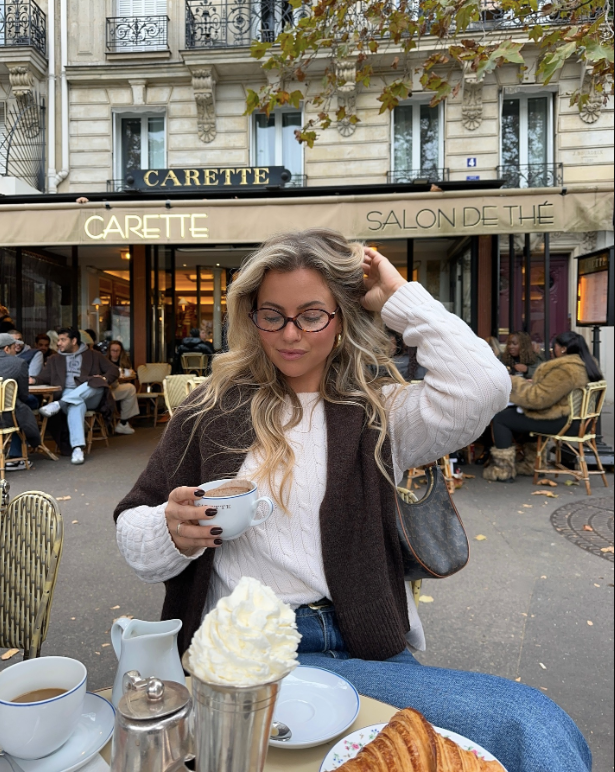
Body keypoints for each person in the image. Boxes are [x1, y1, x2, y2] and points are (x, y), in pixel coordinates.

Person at [113, 230, 590, 772]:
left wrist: (396, 294)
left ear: (341, 317)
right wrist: (172, 530)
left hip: (363, 642)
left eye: (312, 314)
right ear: (252, 317)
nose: (290, 334)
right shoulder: (211, 407)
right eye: (272, 315)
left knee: (531, 727)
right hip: (239, 657)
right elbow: (134, 529)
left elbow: (483, 387)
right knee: (526, 722)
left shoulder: (379, 411)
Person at [484, 331, 602, 482]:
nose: (553, 351)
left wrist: (513, 382)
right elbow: (554, 391)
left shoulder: (565, 370)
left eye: (555, 348)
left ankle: (503, 470)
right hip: (581, 421)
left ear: (563, 349)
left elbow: (537, 399)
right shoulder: (586, 365)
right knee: (523, 414)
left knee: (502, 418)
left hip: (565, 422)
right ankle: (531, 464)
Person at [32, 327, 119, 465]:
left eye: (62, 340)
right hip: (69, 394)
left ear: (74, 341)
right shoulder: (54, 359)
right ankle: (77, 448)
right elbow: (43, 377)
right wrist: (33, 380)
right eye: (58, 340)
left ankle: (58, 404)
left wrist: (104, 378)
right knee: (75, 404)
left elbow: (113, 370)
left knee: (95, 383)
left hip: (92, 395)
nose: (58, 343)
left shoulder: (93, 355)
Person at [0, 333, 41, 470]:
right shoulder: (18, 363)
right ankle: (15, 457)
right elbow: (23, 394)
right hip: (7, 416)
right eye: (13, 347)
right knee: (24, 410)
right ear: (6, 349)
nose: (15, 350)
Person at [107, 340, 139, 434]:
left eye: (117, 350)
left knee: (131, 388)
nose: (115, 353)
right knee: (130, 389)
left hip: (118, 387)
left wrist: (131, 373)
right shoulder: (105, 361)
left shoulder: (125, 361)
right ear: (109, 351)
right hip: (108, 388)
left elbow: (130, 374)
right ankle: (123, 423)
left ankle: (123, 422)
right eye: (113, 350)